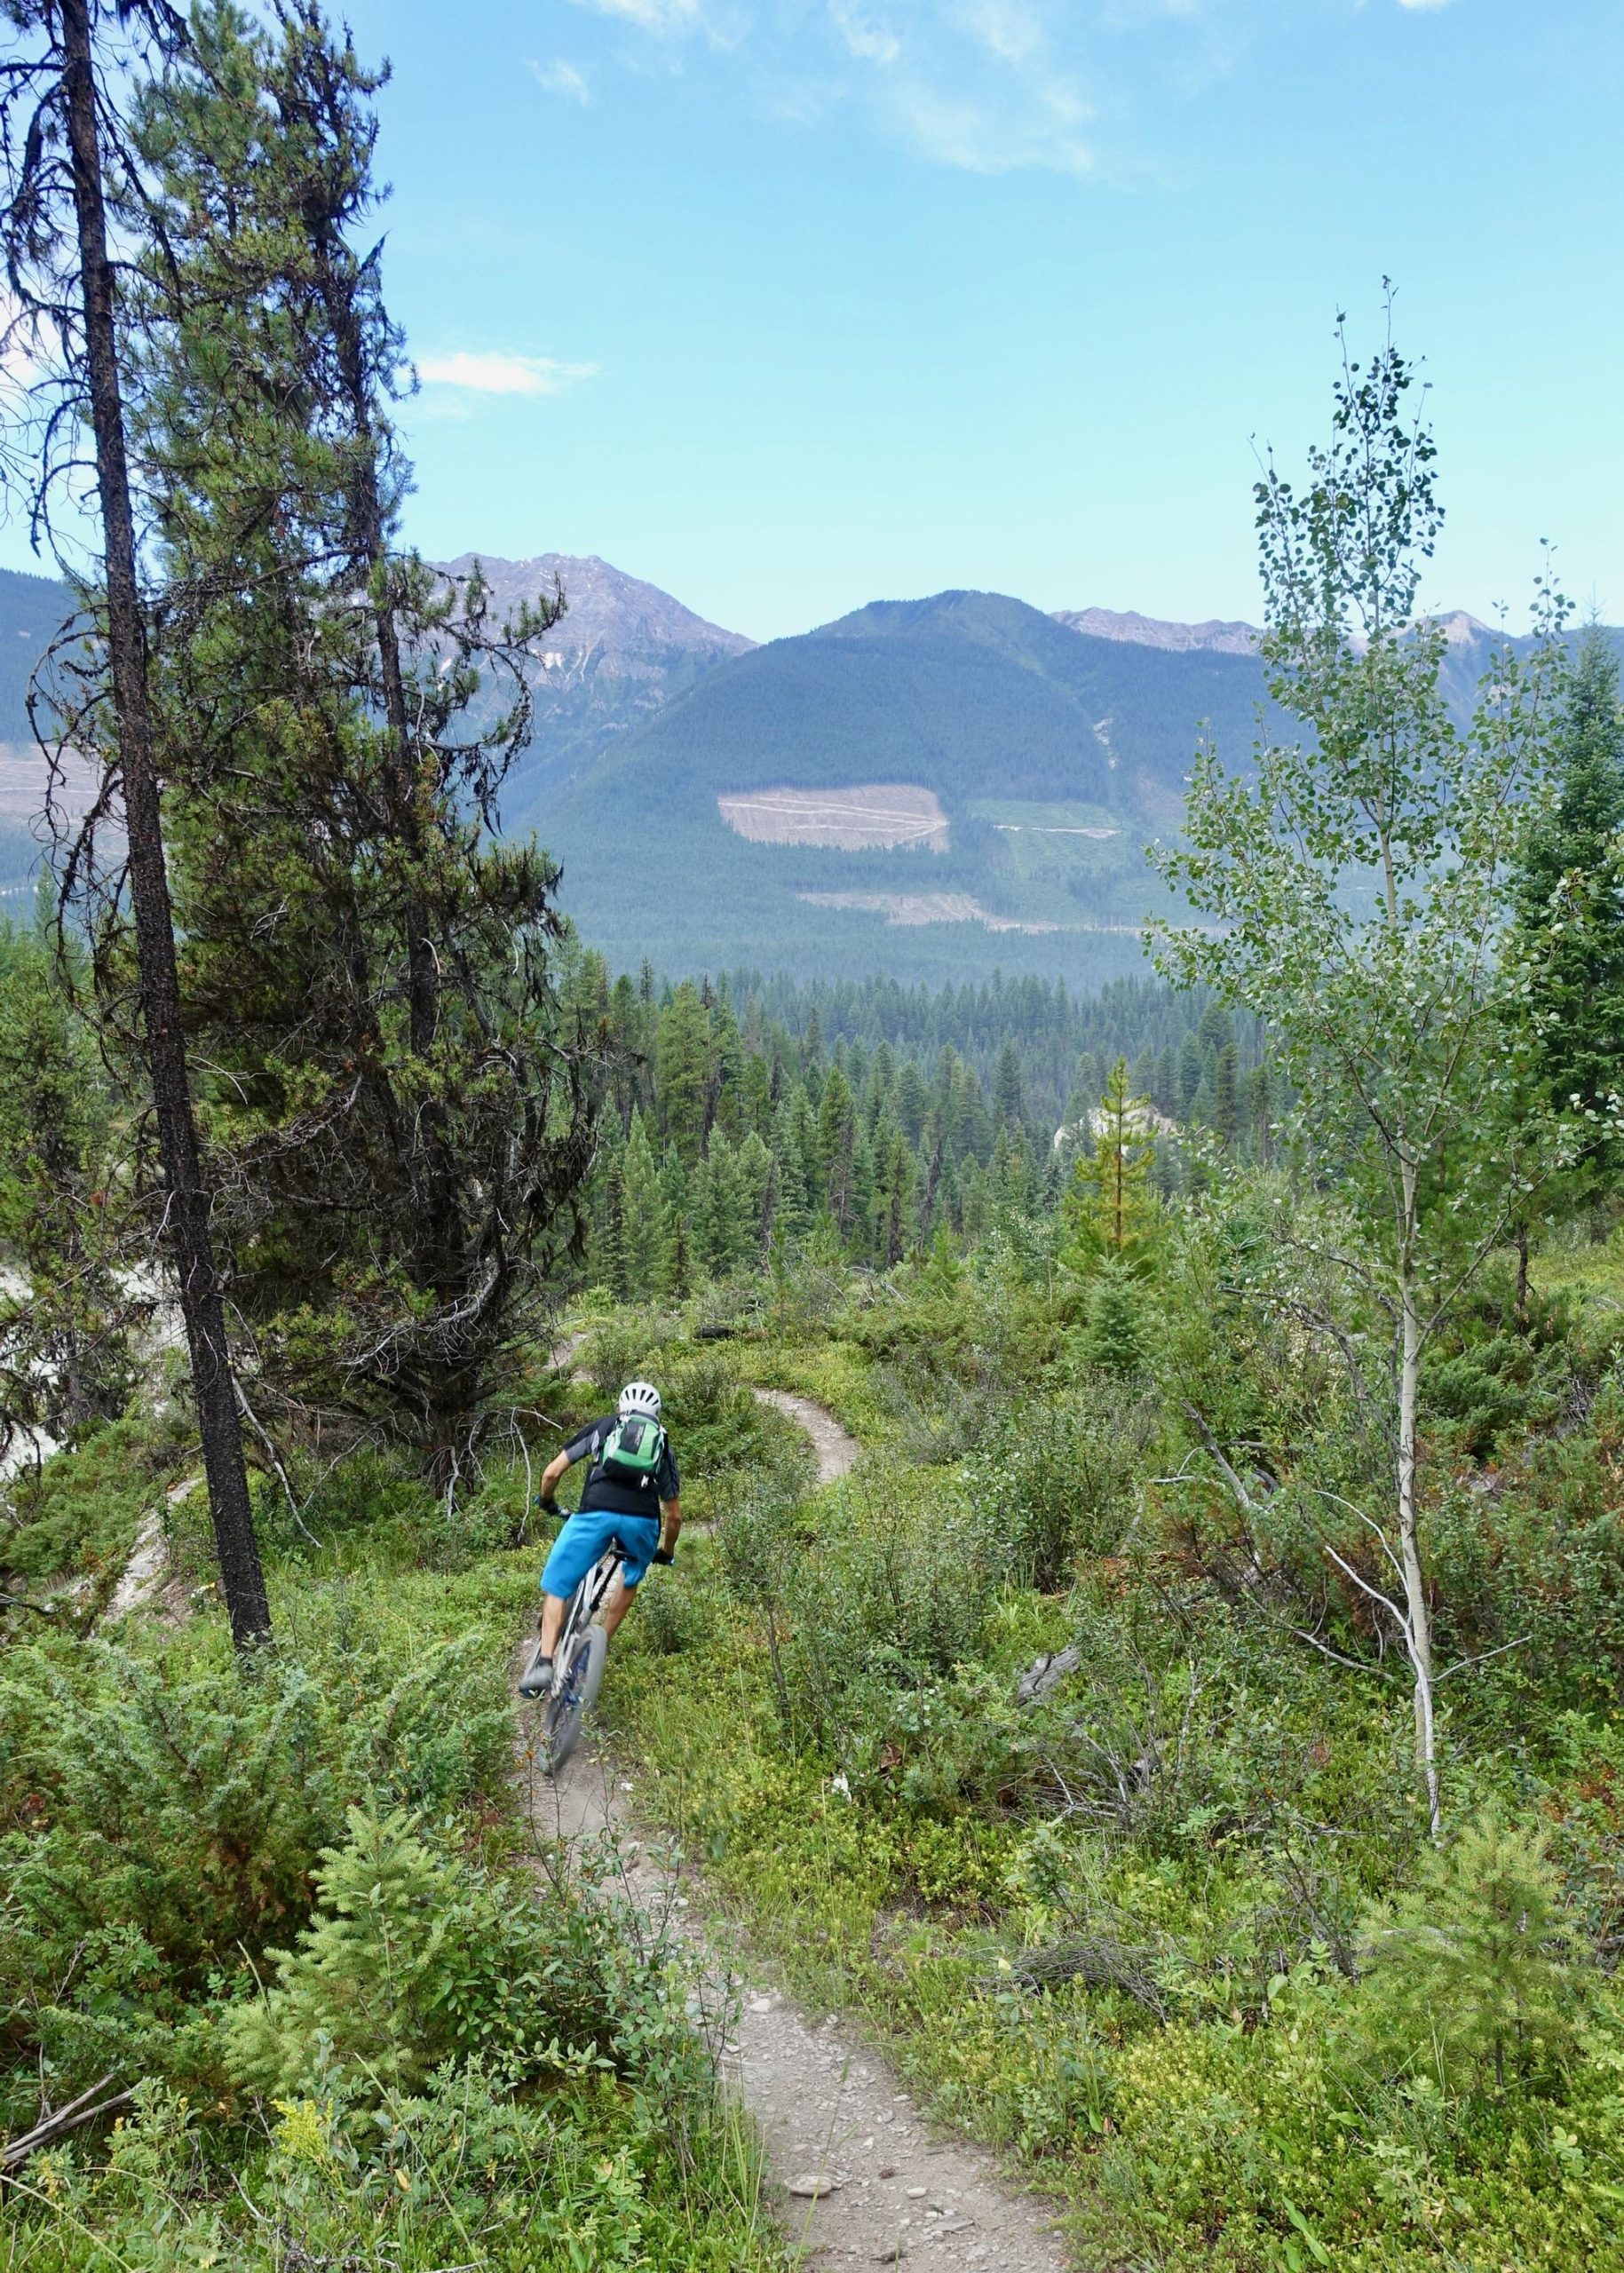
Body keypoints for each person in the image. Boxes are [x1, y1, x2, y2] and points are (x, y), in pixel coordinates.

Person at [519, 1379, 681, 1698]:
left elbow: (552, 1472)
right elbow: (674, 1516)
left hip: (595, 1515)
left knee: (558, 1585)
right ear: (657, 1415)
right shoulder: (663, 1445)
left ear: (621, 1407)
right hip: (642, 1524)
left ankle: (546, 1662)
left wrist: (548, 1501)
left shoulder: (604, 1427)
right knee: (631, 1577)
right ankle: (598, 1646)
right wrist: (666, 1551)